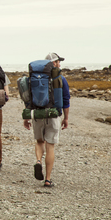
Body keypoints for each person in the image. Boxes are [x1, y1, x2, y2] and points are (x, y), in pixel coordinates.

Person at [23, 52, 70, 187]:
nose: (59, 64)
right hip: (54, 115)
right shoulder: (60, 78)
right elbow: (66, 100)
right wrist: (66, 118)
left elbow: (27, 98)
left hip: (37, 113)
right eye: (58, 62)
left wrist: (27, 117)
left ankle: (38, 161)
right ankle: (48, 179)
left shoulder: (33, 78)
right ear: (53, 63)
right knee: (50, 146)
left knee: (39, 141)